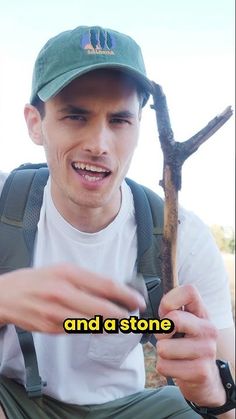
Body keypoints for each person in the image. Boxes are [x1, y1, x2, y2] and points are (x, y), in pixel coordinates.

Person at [0, 25, 234, 419]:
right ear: (35, 123)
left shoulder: (181, 237)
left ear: (140, 124)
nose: (99, 144)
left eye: (120, 120)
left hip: (128, 408)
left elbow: (231, 405)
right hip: (14, 398)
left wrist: (212, 389)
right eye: (76, 116)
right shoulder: (6, 204)